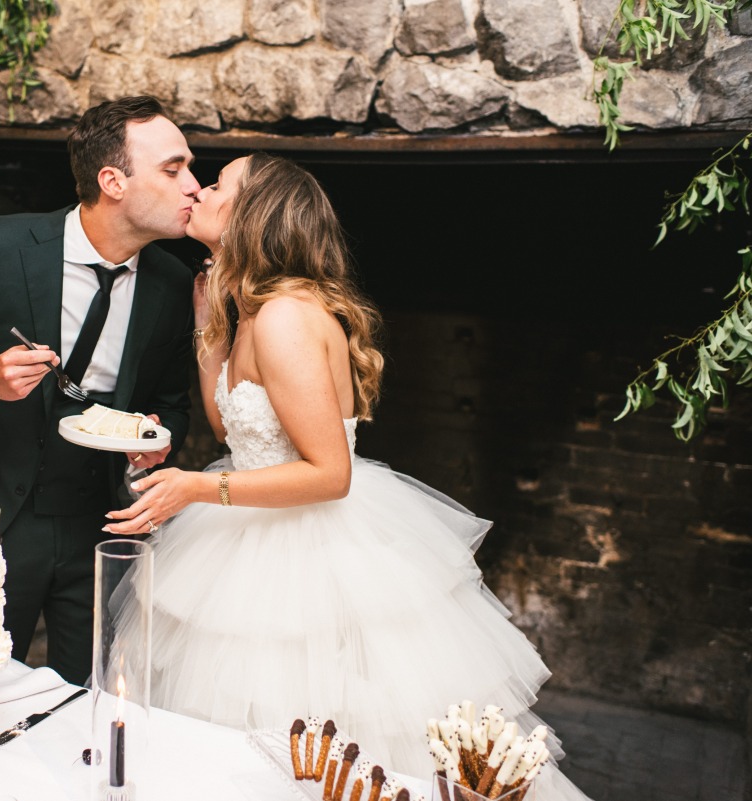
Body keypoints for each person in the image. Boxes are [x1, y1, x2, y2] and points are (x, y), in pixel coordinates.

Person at [104, 154, 593, 801]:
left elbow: (329, 473)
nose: (201, 189)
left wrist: (195, 487)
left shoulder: (285, 317)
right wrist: (206, 325)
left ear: (254, 215)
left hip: (307, 552)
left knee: (314, 746)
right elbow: (235, 434)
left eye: (219, 183)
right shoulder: (252, 309)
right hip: (248, 530)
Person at [0, 96, 199, 686]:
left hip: (103, 529)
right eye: (173, 168)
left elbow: (173, 405)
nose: (193, 186)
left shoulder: (173, 282)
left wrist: (158, 441)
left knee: (88, 699)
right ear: (112, 181)